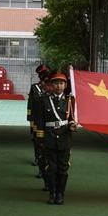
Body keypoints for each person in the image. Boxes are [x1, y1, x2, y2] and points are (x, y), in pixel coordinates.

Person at [34, 71, 77, 205]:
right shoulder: (44, 100)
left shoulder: (70, 100)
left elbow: (71, 118)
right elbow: (39, 121)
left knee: (63, 168)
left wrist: (72, 125)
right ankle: (52, 193)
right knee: (51, 167)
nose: (58, 86)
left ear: (65, 85)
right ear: (51, 85)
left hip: (65, 138)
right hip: (49, 137)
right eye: (56, 83)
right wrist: (40, 139)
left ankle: (60, 194)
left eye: (61, 83)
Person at [27, 64, 50, 176]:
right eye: (43, 75)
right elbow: (30, 104)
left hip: (49, 120)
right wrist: (30, 119)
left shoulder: (52, 88)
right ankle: (38, 158)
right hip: (37, 119)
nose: (44, 77)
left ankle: (46, 164)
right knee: (37, 140)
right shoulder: (34, 87)